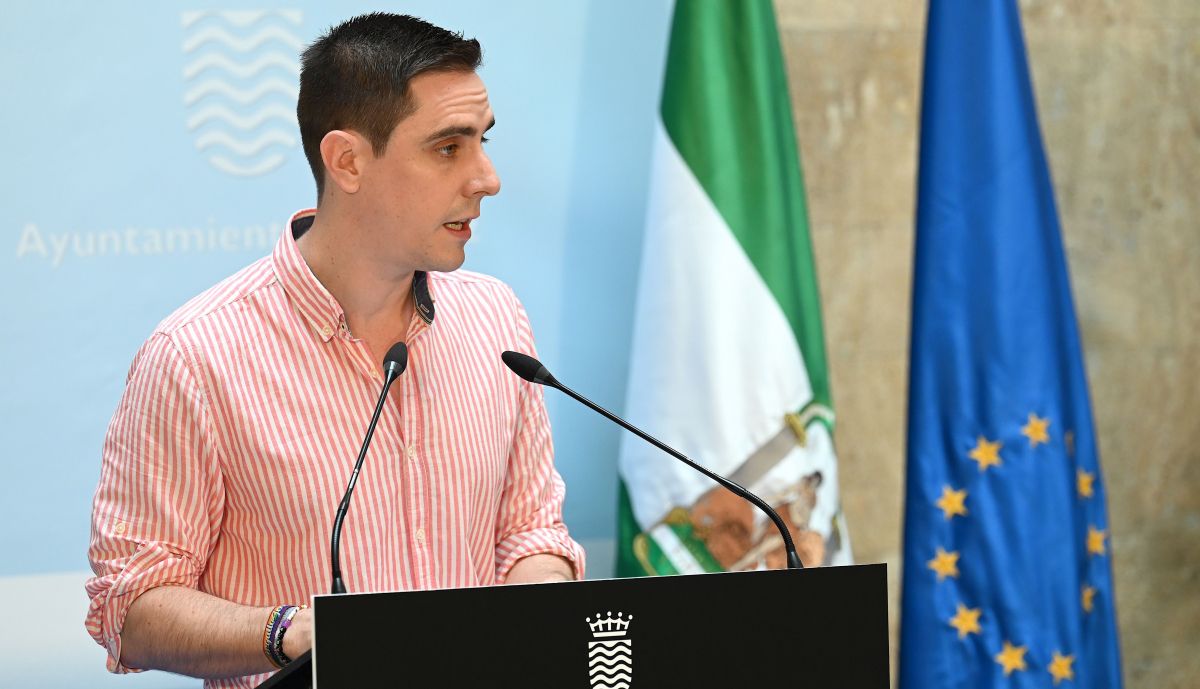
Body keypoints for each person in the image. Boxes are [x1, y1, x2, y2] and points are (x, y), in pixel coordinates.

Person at [84, 13, 584, 688]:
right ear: (346, 160)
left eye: (482, 142)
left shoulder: (497, 319)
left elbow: (530, 532)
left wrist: (533, 609)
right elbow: (132, 604)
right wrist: (294, 633)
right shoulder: (195, 357)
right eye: (448, 148)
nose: (486, 178)